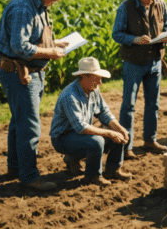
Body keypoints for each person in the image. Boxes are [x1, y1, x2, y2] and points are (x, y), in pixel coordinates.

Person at [0, 0, 75, 191]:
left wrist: (55, 43)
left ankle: (15, 167)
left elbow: (31, 37)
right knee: (30, 126)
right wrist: (51, 53)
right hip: (19, 72)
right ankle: (29, 176)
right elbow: (19, 46)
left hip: (28, 71)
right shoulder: (24, 7)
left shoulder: (38, 2)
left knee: (19, 121)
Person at [112, 0, 167, 159]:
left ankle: (150, 140)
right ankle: (127, 146)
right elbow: (117, 34)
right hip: (133, 62)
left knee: (153, 104)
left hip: (155, 60)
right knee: (129, 106)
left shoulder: (161, 3)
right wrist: (135, 39)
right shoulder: (126, 7)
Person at [50, 57, 132, 186]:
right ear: (84, 77)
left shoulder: (93, 90)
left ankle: (113, 169)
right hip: (63, 138)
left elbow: (104, 113)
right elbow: (81, 127)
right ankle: (92, 176)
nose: (100, 82)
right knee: (97, 141)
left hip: (79, 134)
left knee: (119, 132)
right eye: (97, 77)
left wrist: (119, 129)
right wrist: (109, 133)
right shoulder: (70, 96)